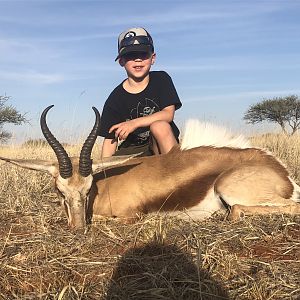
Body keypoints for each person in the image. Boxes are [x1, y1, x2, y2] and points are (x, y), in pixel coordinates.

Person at [99, 27, 182, 157]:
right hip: (133, 152)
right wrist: (103, 169)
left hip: (161, 147)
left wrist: (134, 123)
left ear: (152, 58)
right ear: (121, 61)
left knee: (159, 126)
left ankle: (177, 170)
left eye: (143, 54)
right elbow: (110, 139)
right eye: (131, 55)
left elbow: (168, 114)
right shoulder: (115, 98)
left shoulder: (161, 79)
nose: (138, 60)